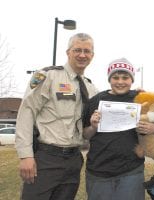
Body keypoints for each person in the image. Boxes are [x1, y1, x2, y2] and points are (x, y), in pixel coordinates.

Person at [15, 33, 98, 199]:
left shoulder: (91, 88)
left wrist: (134, 96)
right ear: (68, 52)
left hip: (74, 159)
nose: (82, 55)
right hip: (46, 158)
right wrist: (26, 155)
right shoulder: (48, 76)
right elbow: (27, 112)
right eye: (77, 50)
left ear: (92, 55)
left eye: (87, 51)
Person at [82, 58, 154, 200]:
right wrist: (93, 127)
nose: (120, 81)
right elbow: (85, 135)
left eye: (125, 77)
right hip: (99, 171)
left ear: (132, 80)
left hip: (131, 170)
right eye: (115, 77)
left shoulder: (140, 98)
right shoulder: (96, 100)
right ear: (109, 79)